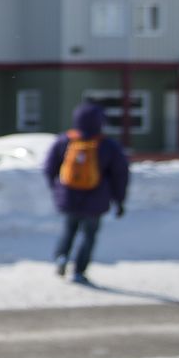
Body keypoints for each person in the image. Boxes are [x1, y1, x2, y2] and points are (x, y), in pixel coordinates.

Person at [42, 100, 130, 284]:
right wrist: (119, 200)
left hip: (69, 197)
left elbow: (50, 167)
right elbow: (120, 174)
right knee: (88, 235)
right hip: (96, 199)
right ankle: (79, 271)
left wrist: (56, 188)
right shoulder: (107, 146)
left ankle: (62, 257)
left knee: (69, 230)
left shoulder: (65, 140)